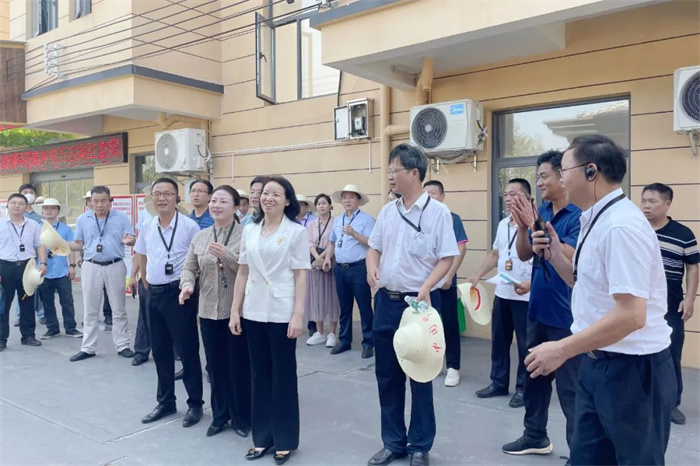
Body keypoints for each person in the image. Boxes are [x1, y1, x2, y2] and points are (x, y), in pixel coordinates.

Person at [526, 134, 676, 465]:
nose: (560, 179)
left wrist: (562, 349)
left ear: (591, 171)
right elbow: (582, 283)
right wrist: (554, 253)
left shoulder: (620, 226)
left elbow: (632, 315)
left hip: (632, 369)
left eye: (564, 170)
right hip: (597, 362)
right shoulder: (595, 218)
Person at [366, 144, 459, 466]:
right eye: (390, 171)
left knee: (420, 377)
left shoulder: (438, 213)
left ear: (414, 173)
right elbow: (374, 247)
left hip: (418, 306)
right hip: (386, 302)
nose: (390, 176)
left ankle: (420, 445)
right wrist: (371, 267)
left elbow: (447, 257)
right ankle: (393, 442)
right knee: (387, 377)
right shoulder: (388, 212)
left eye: (395, 171)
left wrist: (426, 286)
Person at [502, 151, 582, 458]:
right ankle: (535, 435)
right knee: (534, 377)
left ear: (563, 176)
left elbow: (573, 255)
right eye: (537, 177)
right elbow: (525, 254)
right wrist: (524, 226)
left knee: (571, 389)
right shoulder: (542, 210)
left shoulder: (578, 214)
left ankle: (580, 453)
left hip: (568, 316)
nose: (539, 183)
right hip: (538, 309)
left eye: (544, 176)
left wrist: (544, 233)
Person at [229, 176, 309, 465]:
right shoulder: (249, 230)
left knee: (282, 377)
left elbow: (301, 275)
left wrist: (298, 314)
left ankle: (285, 440)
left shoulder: (296, 232)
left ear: (287, 201)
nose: (268, 198)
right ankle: (262, 437)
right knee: (259, 375)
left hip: (281, 311)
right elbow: (242, 272)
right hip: (253, 310)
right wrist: (235, 310)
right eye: (265, 193)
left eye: (276, 194)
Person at [180, 185, 251, 438]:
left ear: (235, 207)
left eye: (223, 201)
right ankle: (220, 415)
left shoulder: (246, 234)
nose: (216, 206)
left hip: (237, 311)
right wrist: (187, 285)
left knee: (239, 365)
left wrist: (227, 254)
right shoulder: (201, 236)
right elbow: (189, 268)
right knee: (215, 366)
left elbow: (250, 269)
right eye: (214, 201)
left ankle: (242, 417)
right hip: (208, 310)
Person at [134, 178, 204, 427]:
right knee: (160, 350)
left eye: (167, 193)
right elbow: (141, 254)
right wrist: (144, 280)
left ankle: (195, 404)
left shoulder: (189, 226)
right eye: (157, 194)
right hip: (153, 293)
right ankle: (165, 401)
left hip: (179, 293)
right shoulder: (148, 225)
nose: (161, 198)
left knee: (187, 350)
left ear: (177, 198)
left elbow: (197, 260)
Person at [469, 179, 533, 408]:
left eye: (513, 194)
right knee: (499, 341)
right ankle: (498, 382)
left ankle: (524, 389)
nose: (507, 199)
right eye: (505, 194)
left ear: (526, 197)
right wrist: (478, 274)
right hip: (503, 293)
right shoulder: (503, 224)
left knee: (526, 345)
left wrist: (531, 283)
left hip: (526, 296)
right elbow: (496, 254)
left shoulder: (535, 225)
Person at [641, 182, 699, 425]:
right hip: (638, 306)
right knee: (639, 354)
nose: (646, 206)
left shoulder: (683, 234)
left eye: (652, 201)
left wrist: (690, 298)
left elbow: (693, 266)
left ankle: (671, 403)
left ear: (667, 204)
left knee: (671, 355)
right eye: (644, 201)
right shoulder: (635, 228)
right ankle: (642, 400)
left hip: (670, 307)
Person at [68, 186, 136, 362]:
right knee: (90, 309)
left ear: (110, 201)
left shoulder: (121, 217)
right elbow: (78, 244)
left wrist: (130, 241)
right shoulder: (83, 219)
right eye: (95, 201)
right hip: (91, 265)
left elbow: (131, 239)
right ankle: (88, 347)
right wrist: (62, 245)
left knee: (118, 308)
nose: (99, 205)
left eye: (103, 200)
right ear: (90, 202)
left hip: (115, 264)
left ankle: (122, 345)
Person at [322, 184, 375, 358]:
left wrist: (354, 234)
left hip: (358, 268)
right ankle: (344, 340)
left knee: (364, 305)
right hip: (340, 269)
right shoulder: (338, 220)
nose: (347, 201)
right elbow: (332, 241)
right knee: (344, 307)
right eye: (344, 197)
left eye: (351, 197)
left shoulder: (366, 220)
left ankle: (368, 342)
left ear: (358, 200)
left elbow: (371, 242)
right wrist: (328, 258)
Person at [423, 180, 468, 387]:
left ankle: (453, 367)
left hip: (444, 282)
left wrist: (449, 275)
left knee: (449, 324)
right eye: (426, 193)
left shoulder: (452, 218)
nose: (429, 197)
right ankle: (432, 363)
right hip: (424, 284)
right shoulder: (419, 218)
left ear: (442, 196)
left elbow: (460, 248)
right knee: (428, 325)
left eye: (433, 193)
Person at [0, 193, 48, 351]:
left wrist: (43, 263)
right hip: (5, 267)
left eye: (20, 203)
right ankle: (1, 338)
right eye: (13, 203)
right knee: (3, 304)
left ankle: (28, 336)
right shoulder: (1, 224)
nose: (17, 206)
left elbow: (40, 244)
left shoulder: (33, 225)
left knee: (27, 302)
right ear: (8, 205)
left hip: (27, 268)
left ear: (26, 207)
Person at [36, 198, 82, 339]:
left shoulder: (65, 228)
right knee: (47, 302)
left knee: (67, 301)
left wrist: (72, 266)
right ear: (42, 211)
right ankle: (52, 328)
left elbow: (72, 248)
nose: (49, 211)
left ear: (58, 211)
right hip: (44, 271)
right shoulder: (37, 228)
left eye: (53, 208)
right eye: (46, 208)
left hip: (62, 270)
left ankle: (70, 328)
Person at [305, 194, 340, 348]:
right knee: (316, 296)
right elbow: (309, 243)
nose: (321, 206)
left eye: (324, 203)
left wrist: (324, 257)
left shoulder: (335, 222)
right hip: (315, 261)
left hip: (330, 260)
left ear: (330, 205)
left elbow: (333, 242)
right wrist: (317, 258)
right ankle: (319, 332)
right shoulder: (311, 224)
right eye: (318, 204)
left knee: (331, 296)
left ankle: (332, 333)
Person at [15, 184, 45, 326]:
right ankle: (19, 315)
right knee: (21, 285)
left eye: (31, 192)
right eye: (25, 192)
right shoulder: (15, 215)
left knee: (38, 284)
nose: (28, 194)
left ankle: (41, 314)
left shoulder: (40, 215)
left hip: (37, 255)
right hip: (20, 257)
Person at [296, 194, 318, 336]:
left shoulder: (313, 221)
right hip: (293, 259)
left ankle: (312, 325)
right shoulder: (288, 221)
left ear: (306, 206)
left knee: (311, 294)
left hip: (310, 258)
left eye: (301, 204)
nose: (299, 207)